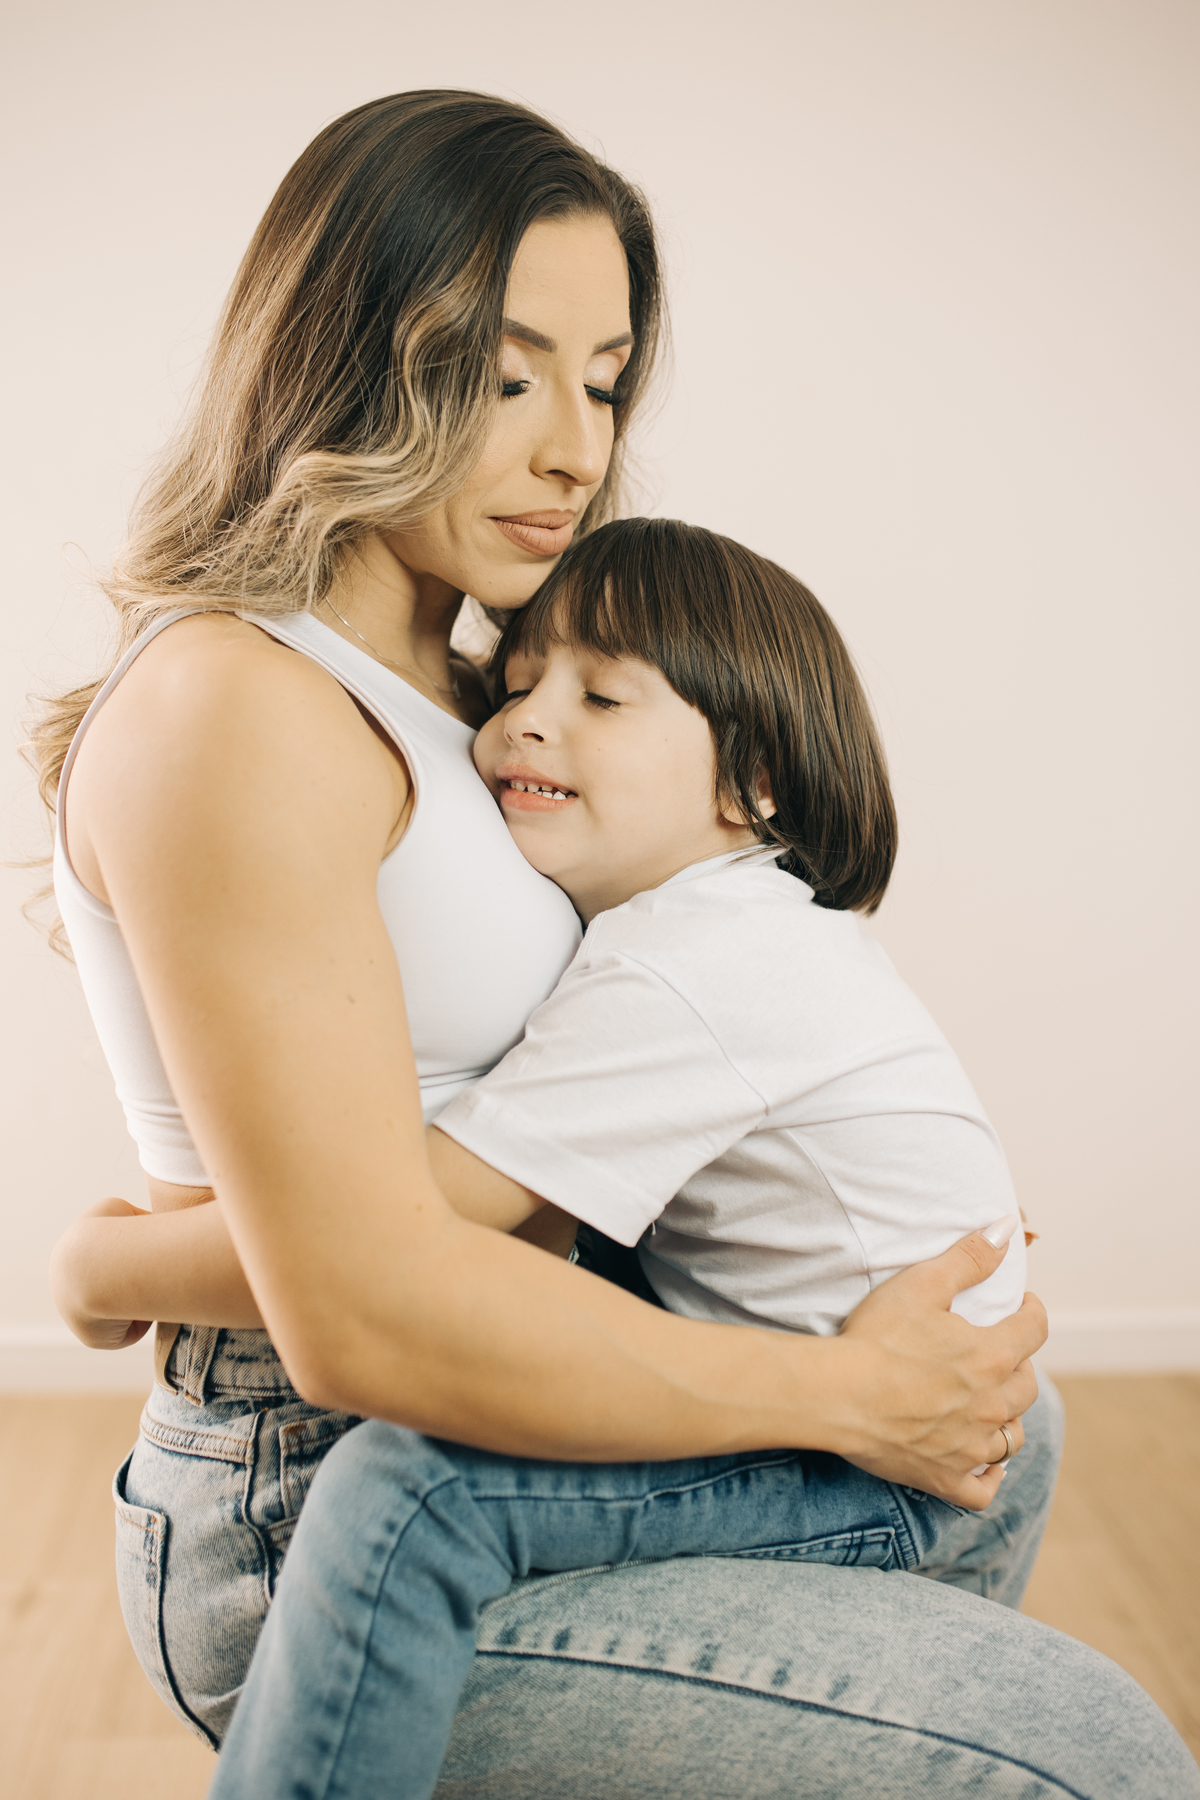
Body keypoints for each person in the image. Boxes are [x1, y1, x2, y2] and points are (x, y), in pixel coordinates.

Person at [37, 91, 1198, 1797]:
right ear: (346, 360)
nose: (576, 448)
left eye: (603, 380)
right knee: (1095, 1757)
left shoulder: (485, 687)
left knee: (1016, 1444)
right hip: (331, 1492)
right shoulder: (239, 704)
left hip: (526, 1393)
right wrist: (846, 1395)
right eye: (506, 377)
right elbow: (357, 1308)